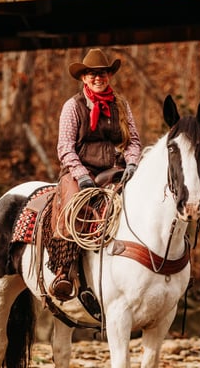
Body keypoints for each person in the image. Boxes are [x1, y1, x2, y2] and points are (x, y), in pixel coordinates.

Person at [49, 48, 142, 300]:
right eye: (92, 74)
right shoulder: (73, 106)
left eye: (102, 73)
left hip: (116, 169)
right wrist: (81, 176)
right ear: (83, 78)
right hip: (81, 170)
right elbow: (65, 147)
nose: (97, 78)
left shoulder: (121, 105)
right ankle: (63, 272)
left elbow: (133, 140)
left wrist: (132, 163)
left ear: (109, 76)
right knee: (72, 208)